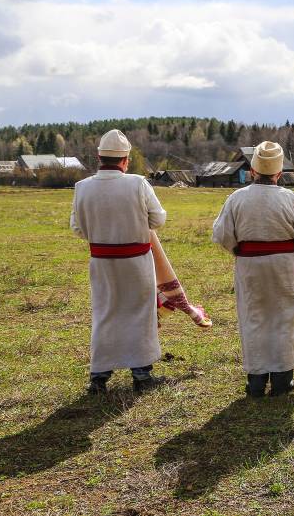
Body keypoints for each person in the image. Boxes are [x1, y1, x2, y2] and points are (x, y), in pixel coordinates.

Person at [212, 142, 294, 397]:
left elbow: (222, 235)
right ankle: (283, 379)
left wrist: (239, 249)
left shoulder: (236, 198)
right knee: (285, 317)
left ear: (252, 171)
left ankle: (257, 381)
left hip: (250, 266)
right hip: (285, 267)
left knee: (254, 317)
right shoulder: (291, 199)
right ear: (279, 173)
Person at [70, 129, 168, 394]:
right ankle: (142, 375)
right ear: (125, 159)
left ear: (99, 157)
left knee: (105, 311)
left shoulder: (82, 187)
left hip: (101, 262)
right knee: (139, 312)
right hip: (136, 261)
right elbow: (157, 219)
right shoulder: (138, 184)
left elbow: (77, 228)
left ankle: (99, 375)